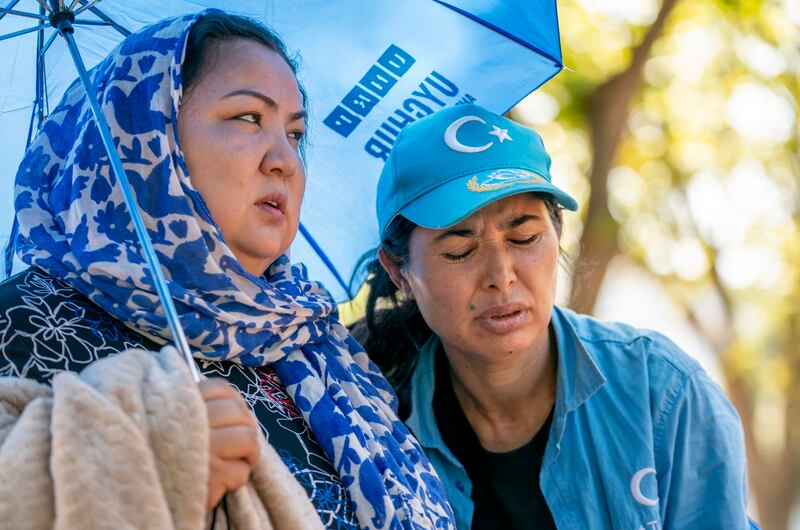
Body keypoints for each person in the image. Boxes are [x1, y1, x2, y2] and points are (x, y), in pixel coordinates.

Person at [0, 11, 454, 529]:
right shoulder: (24, 324)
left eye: (296, 132)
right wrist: (143, 474)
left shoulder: (318, 345)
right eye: (248, 118)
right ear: (147, 137)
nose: (284, 159)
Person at [353, 104, 754, 529]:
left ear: (557, 230)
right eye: (460, 251)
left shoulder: (664, 394)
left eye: (524, 237)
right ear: (400, 271)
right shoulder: (364, 425)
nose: (501, 277)